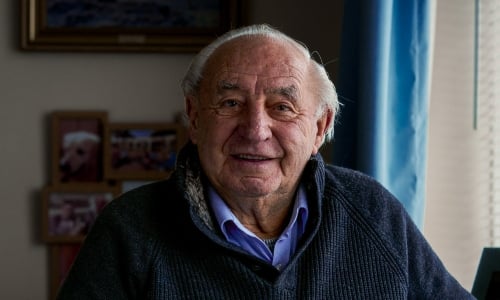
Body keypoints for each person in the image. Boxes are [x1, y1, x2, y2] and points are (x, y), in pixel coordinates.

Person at [56, 24, 474, 299]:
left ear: (319, 126)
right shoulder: (130, 229)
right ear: (196, 117)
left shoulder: (372, 211)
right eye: (231, 103)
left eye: (282, 107)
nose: (255, 129)